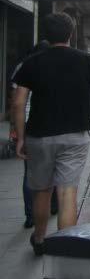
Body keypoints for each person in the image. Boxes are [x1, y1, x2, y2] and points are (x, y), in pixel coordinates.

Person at [11, 12, 90, 256]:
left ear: (45, 34)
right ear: (71, 34)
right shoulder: (85, 60)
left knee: (42, 190)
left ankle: (39, 239)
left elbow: (18, 103)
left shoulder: (32, 62)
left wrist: (20, 134)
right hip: (75, 135)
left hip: (40, 135)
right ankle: (64, 245)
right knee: (68, 192)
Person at [8, 41, 58, 229]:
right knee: (54, 170)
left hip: (30, 127)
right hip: (54, 125)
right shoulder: (55, 66)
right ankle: (53, 206)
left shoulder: (24, 67)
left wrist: (16, 129)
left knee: (30, 174)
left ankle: (31, 215)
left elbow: (17, 103)